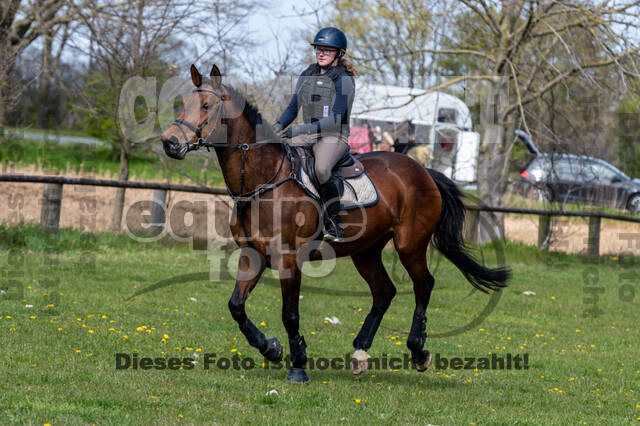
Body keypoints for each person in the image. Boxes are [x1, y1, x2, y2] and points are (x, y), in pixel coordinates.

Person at [272, 27, 357, 242]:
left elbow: (336, 118)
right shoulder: (307, 74)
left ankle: (334, 220)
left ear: (339, 53)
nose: (321, 53)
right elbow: (293, 108)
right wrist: (276, 126)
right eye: (319, 49)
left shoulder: (344, 79)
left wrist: (300, 129)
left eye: (327, 50)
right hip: (308, 134)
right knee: (277, 155)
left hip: (333, 135)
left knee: (321, 168)